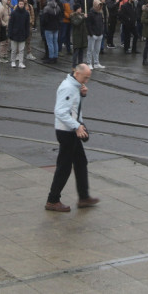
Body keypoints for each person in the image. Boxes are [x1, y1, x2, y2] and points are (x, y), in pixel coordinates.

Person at [45, 63, 98, 213]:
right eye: (85, 77)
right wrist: (77, 126)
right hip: (67, 131)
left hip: (72, 130)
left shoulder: (75, 86)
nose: (86, 81)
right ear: (77, 74)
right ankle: (52, 200)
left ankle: (84, 197)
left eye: (88, 78)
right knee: (64, 167)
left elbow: (74, 107)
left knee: (80, 162)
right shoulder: (68, 87)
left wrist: (82, 95)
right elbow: (60, 112)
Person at [8, 0, 31, 67]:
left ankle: (21, 62)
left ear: (24, 5)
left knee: (21, 50)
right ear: (18, 4)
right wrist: (10, 34)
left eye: (22, 4)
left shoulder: (26, 13)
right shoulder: (14, 13)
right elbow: (10, 24)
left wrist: (27, 34)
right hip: (14, 34)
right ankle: (13, 61)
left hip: (22, 34)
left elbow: (27, 25)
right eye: (20, 4)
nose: (21, 5)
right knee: (14, 50)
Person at [86, 0, 105, 70]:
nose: (99, 7)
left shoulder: (100, 13)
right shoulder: (90, 14)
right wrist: (91, 34)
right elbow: (88, 25)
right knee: (90, 49)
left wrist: (102, 32)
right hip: (93, 35)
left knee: (97, 50)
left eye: (100, 5)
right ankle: (89, 63)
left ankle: (96, 63)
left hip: (99, 34)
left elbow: (101, 23)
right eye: (98, 5)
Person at [70, 4, 87, 69]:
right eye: (79, 8)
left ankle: (80, 65)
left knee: (81, 52)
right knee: (76, 52)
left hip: (82, 36)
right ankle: (74, 66)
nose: (80, 9)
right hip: (77, 36)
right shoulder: (73, 16)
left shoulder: (81, 15)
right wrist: (83, 18)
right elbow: (76, 23)